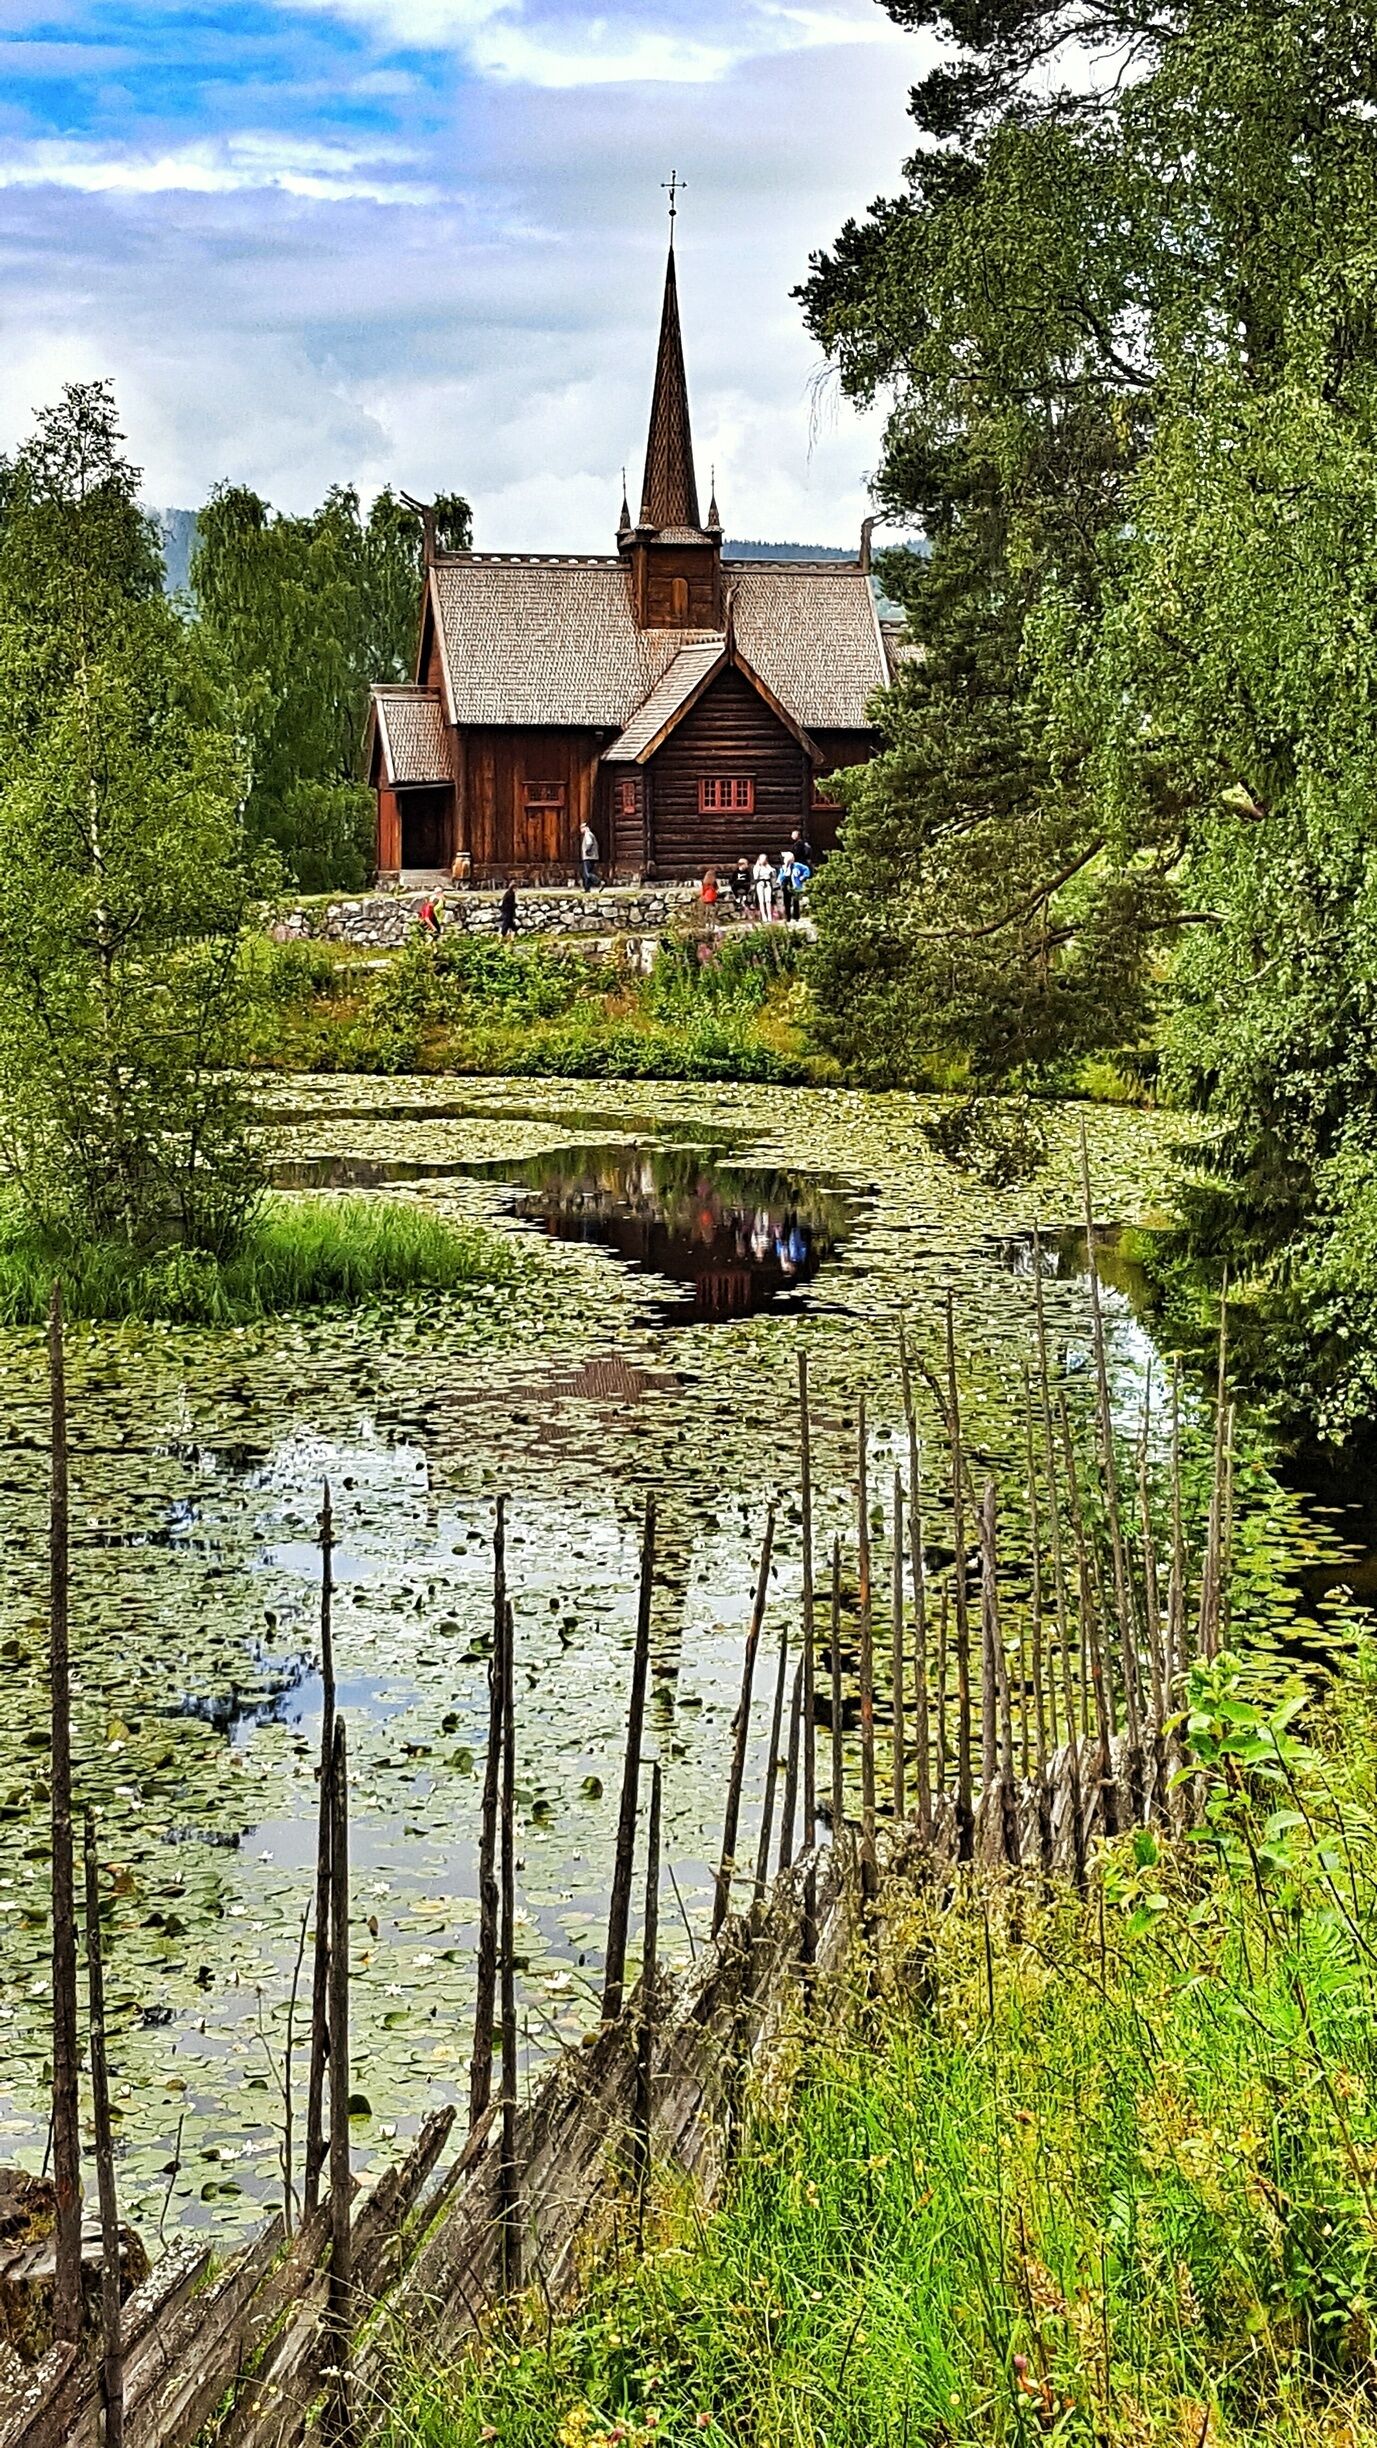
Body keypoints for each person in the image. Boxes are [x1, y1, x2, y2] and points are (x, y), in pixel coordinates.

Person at [752, 850, 775, 926]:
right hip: (760, 883)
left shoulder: (768, 866)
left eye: (764, 858)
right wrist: (758, 867)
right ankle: (764, 916)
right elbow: (755, 877)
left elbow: (773, 873)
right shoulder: (756, 867)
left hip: (767, 883)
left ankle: (769, 915)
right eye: (762, 858)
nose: (763, 860)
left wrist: (769, 868)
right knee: (761, 900)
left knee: (768, 900)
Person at [579, 820, 600, 890]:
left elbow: (589, 843)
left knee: (587, 873)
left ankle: (599, 882)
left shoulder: (588, 834)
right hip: (591, 857)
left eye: (581, 828)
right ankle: (587, 888)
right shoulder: (589, 834)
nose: (581, 830)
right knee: (586, 874)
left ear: (585, 828)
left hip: (589, 857)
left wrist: (587, 851)